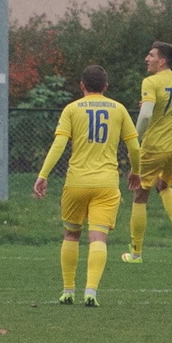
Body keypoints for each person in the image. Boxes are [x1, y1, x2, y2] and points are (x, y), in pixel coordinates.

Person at [33, 65, 140, 308]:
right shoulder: (119, 109)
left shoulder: (72, 109)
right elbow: (134, 147)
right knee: (98, 238)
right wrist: (136, 171)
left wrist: (43, 174)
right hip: (106, 184)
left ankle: (68, 290)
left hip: (76, 182)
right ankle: (91, 291)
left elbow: (59, 145)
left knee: (71, 234)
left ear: (82, 85)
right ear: (106, 87)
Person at [122, 41, 172, 263]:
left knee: (140, 195)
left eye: (151, 55)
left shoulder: (151, 82)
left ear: (162, 60)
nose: (147, 58)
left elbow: (145, 116)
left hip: (155, 148)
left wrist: (133, 141)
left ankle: (136, 253)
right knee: (164, 185)